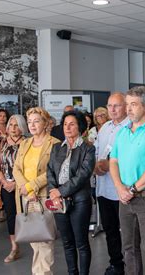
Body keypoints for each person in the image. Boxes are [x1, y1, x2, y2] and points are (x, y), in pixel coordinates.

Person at [109, 86, 145, 275]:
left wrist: (131, 190)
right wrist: (119, 188)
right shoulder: (122, 132)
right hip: (124, 198)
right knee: (129, 248)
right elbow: (113, 161)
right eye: (127, 104)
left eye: (134, 104)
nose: (128, 109)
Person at [13, 107, 60, 275]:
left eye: (36, 121)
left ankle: (43, 272)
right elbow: (16, 168)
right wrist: (26, 188)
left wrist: (31, 186)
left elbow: (53, 171)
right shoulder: (25, 143)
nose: (32, 125)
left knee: (44, 239)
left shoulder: (54, 143)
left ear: (46, 123)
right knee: (34, 238)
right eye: (30, 121)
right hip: (26, 196)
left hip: (43, 196)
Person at [47, 110, 96, 275]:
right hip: (58, 201)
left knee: (81, 243)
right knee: (67, 243)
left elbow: (83, 175)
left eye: (72, 124)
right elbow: (50, 171)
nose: (67, 127)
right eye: (65, 124)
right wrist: (53, 191)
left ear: (80, 126)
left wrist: (59, 191)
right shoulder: (56, 148)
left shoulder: (88, 148)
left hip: (79, 200)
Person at [94, 93, 129, 275]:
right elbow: (98, 152)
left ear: (125, 106)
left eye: (117, 105)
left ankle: (131, 264)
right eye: (110, 106)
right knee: (110, 229)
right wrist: (96, 167)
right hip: (103, 188)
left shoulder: (131, 126)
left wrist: (110, 165)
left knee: (129, 232)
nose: (112, 109)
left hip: (122, 189)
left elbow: (133, 159)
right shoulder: (105, 128)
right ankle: (116, 263)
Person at [0, 114, 27, 263]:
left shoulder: (28, 142)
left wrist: (17, 183)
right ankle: (14, 247)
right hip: (6, 184)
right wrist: (4, 182)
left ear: (22, 127)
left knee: (27, 214)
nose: (13, 129)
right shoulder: (1, 142)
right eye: (11, 125)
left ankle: (36, 240)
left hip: (23, 184)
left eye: (17, 125)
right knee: (11, 214)